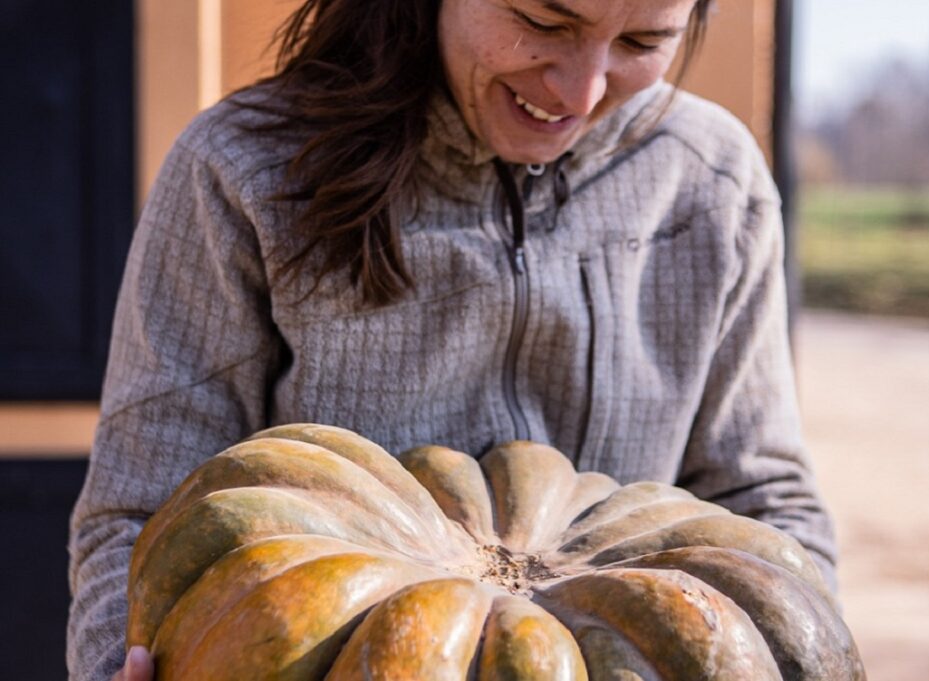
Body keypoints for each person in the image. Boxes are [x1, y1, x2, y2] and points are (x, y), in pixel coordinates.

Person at [69, 0, 838, 679]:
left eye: (642, 40)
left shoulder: (711, 180)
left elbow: (760, 502)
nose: (582, 90)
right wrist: (119, 663)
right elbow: (142, 510)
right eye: (543, 22)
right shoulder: (245, 169)